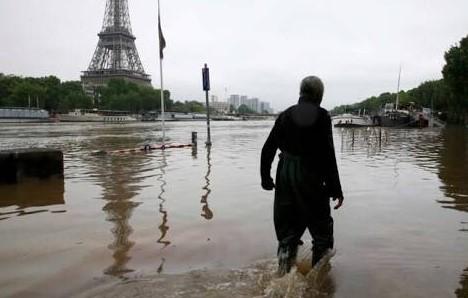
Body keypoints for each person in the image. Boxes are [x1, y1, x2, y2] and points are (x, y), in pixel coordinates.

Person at [260, 76, 344, 276]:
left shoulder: (285, 115)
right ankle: (318, 283)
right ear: (319, 95)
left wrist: (265, 178)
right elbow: (328, 155)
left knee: (287, 232)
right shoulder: (322, 116)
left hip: (285, 175)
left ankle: (282, 276)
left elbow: (268, 149)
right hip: (311, 175)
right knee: (322, 233)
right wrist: (336, 188)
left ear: (301, 92)